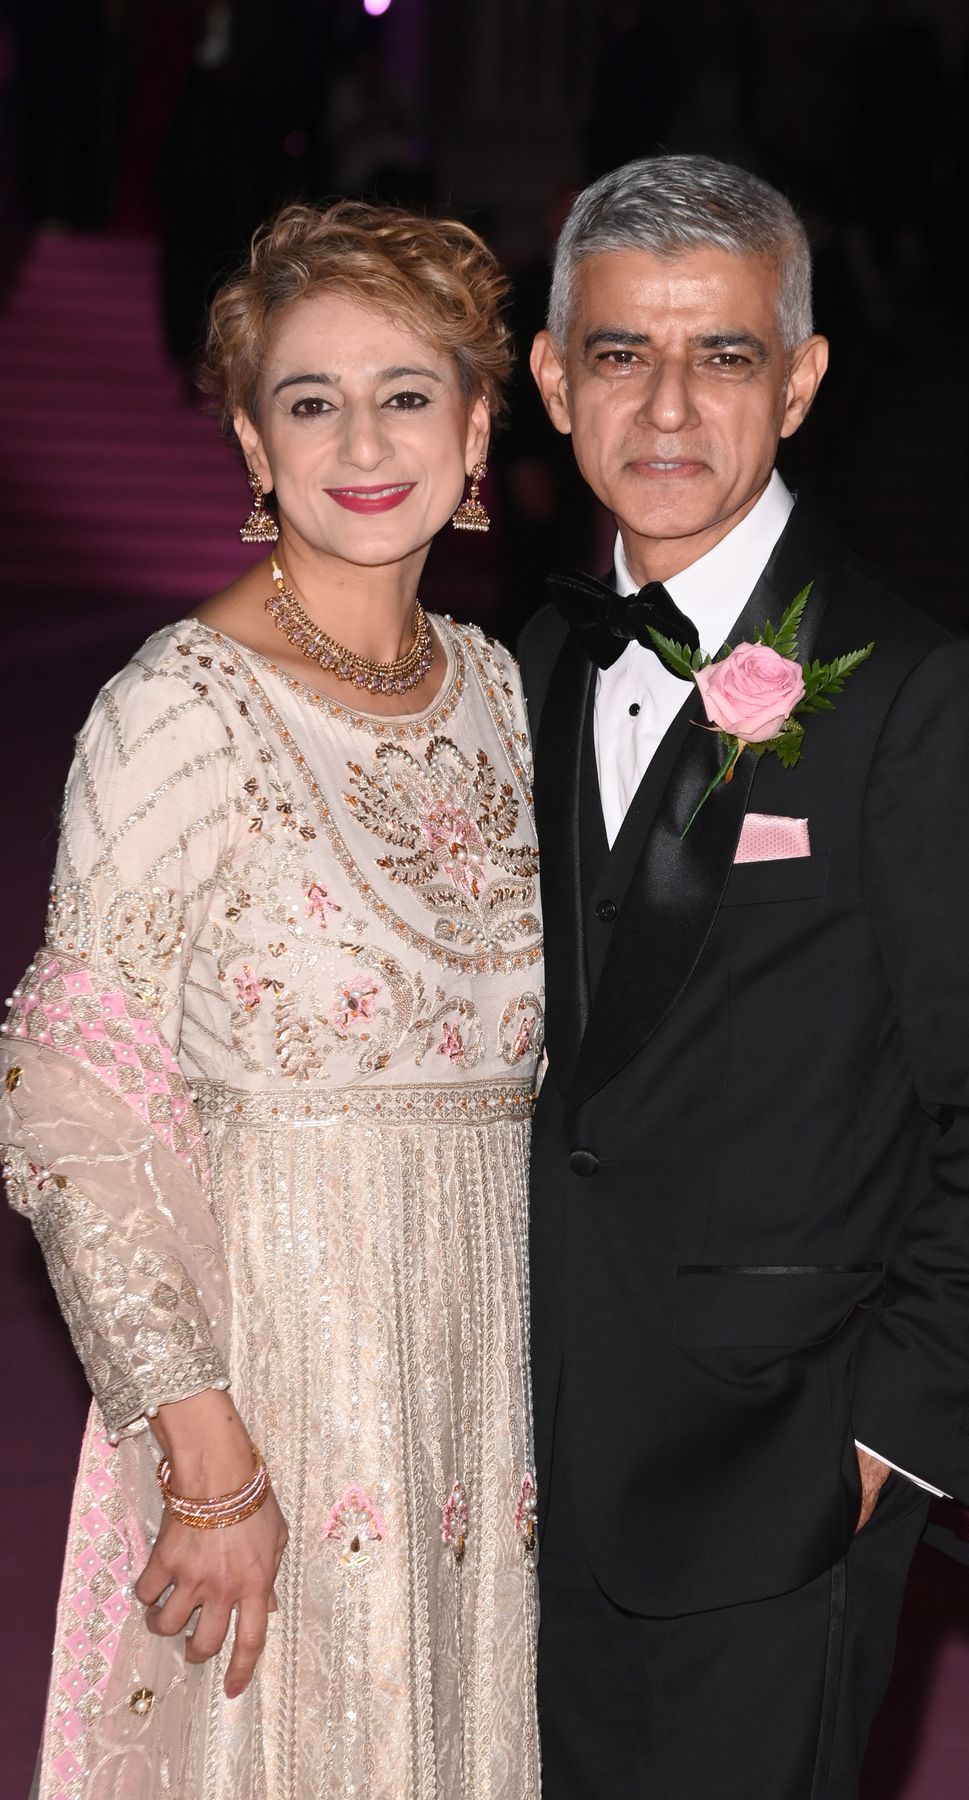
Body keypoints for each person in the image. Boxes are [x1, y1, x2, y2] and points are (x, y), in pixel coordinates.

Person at [519, 153, 969, 1799]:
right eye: (622, 352)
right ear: (555, 381)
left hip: (775, 1476)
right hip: (533, 1445)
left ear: (804, 378)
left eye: (727, 353)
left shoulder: (927, 698)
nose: (670, 404)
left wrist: (886, 1440)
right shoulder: (546, 658)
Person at [0, 200, 543, 1800]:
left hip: (478, 1381)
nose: (363, 439)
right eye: (311, 400)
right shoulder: (178, 707)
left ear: (479, 424)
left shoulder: (503, 692)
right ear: (251, 438)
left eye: (407, 392)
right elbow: (66, 1101)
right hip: (274, 1378)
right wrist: (207, 1455)